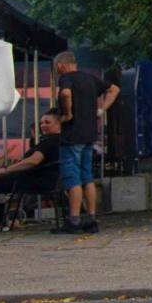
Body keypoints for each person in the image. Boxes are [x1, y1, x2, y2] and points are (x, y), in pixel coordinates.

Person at [52, 51, 119, 234]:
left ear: (61, 65)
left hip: (72, 135)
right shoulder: (91, 79)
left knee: (72, 178)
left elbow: (65, 94)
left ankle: (73, 220)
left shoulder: (66, 79)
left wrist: (67, 114)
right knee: (87, 177)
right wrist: (101, 110)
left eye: (56, 67)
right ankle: (91, 218)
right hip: (89, 134)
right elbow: (114, 89)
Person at [0, 112, 63, 230]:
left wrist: (6, 170)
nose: (43, 125)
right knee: (5, 181)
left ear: (59, 124)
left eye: (47, 122)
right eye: (41, 123)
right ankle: (10, 218)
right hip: (46, 178)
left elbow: (33, 161)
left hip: (39, 180)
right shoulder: (57, 140)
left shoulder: (50, 141)